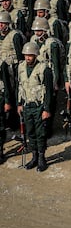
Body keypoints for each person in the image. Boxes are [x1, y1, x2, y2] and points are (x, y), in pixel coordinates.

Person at [17, 42, 53, 172]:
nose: (28, 58)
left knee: (40, 133)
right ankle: (34, 156)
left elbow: (49, 91)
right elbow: (19, 86)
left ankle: (42, 158)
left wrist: (47, 109)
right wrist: (19, 104)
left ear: (36, 55)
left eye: (30, 55)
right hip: (27, 105)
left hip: (39, 106)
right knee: (30, 132)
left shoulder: (44, 69)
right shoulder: (21, 67)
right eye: (26, 55)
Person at [0, 58, 12, 164]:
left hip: (0, 97)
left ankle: (0, 151)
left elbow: (6, 82)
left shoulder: (2, 64)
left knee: (0, 125)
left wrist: (7, 101)